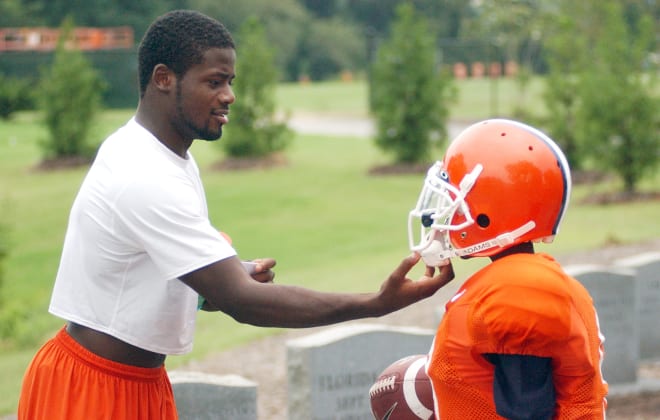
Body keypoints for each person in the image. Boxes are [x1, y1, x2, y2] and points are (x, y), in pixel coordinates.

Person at [17, 10, 454, 420]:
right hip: (92, 387)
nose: (230, 95)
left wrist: (209, 284)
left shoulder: (164, 155)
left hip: (137, 380)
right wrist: (375, 304)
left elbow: (149, 269)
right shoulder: (144, 173)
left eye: (230, 80)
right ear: (164, 79)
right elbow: (243, 303)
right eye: (214, 81)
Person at [407, 119, 608, 419]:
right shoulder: (513, 280)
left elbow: (527, 412)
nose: (442, 213)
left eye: (454, 200)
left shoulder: (517, 292)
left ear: (491, 209)